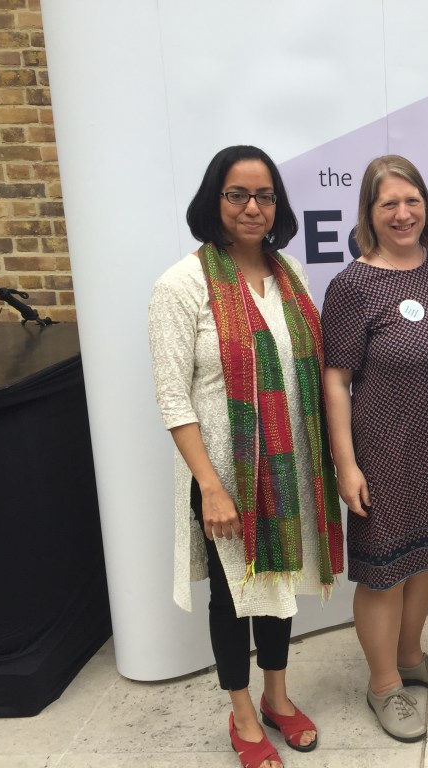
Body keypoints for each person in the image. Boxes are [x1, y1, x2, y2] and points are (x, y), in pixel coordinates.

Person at [148, 145, 344, 768]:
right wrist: (209, 486)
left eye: (265, 196)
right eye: (238, 195)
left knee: (279, 585)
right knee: (234, 598)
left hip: (288, 472)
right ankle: (243, 715)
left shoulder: (290, 278)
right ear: (215, 200)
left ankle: (278, 698)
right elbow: (173, 397)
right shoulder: (181, 286)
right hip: (225, 476)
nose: (253, 207)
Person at [321, 155, 428, 743]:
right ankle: (383, 684)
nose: (402, 214)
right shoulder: (352, 285)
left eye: (412, 201)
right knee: (384, 572)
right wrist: (346, 464)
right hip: (383, 450)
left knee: (427, 559)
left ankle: (413, 658)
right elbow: (335, 379)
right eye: (388, 204)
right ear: (369, 213)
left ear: (427, 206)